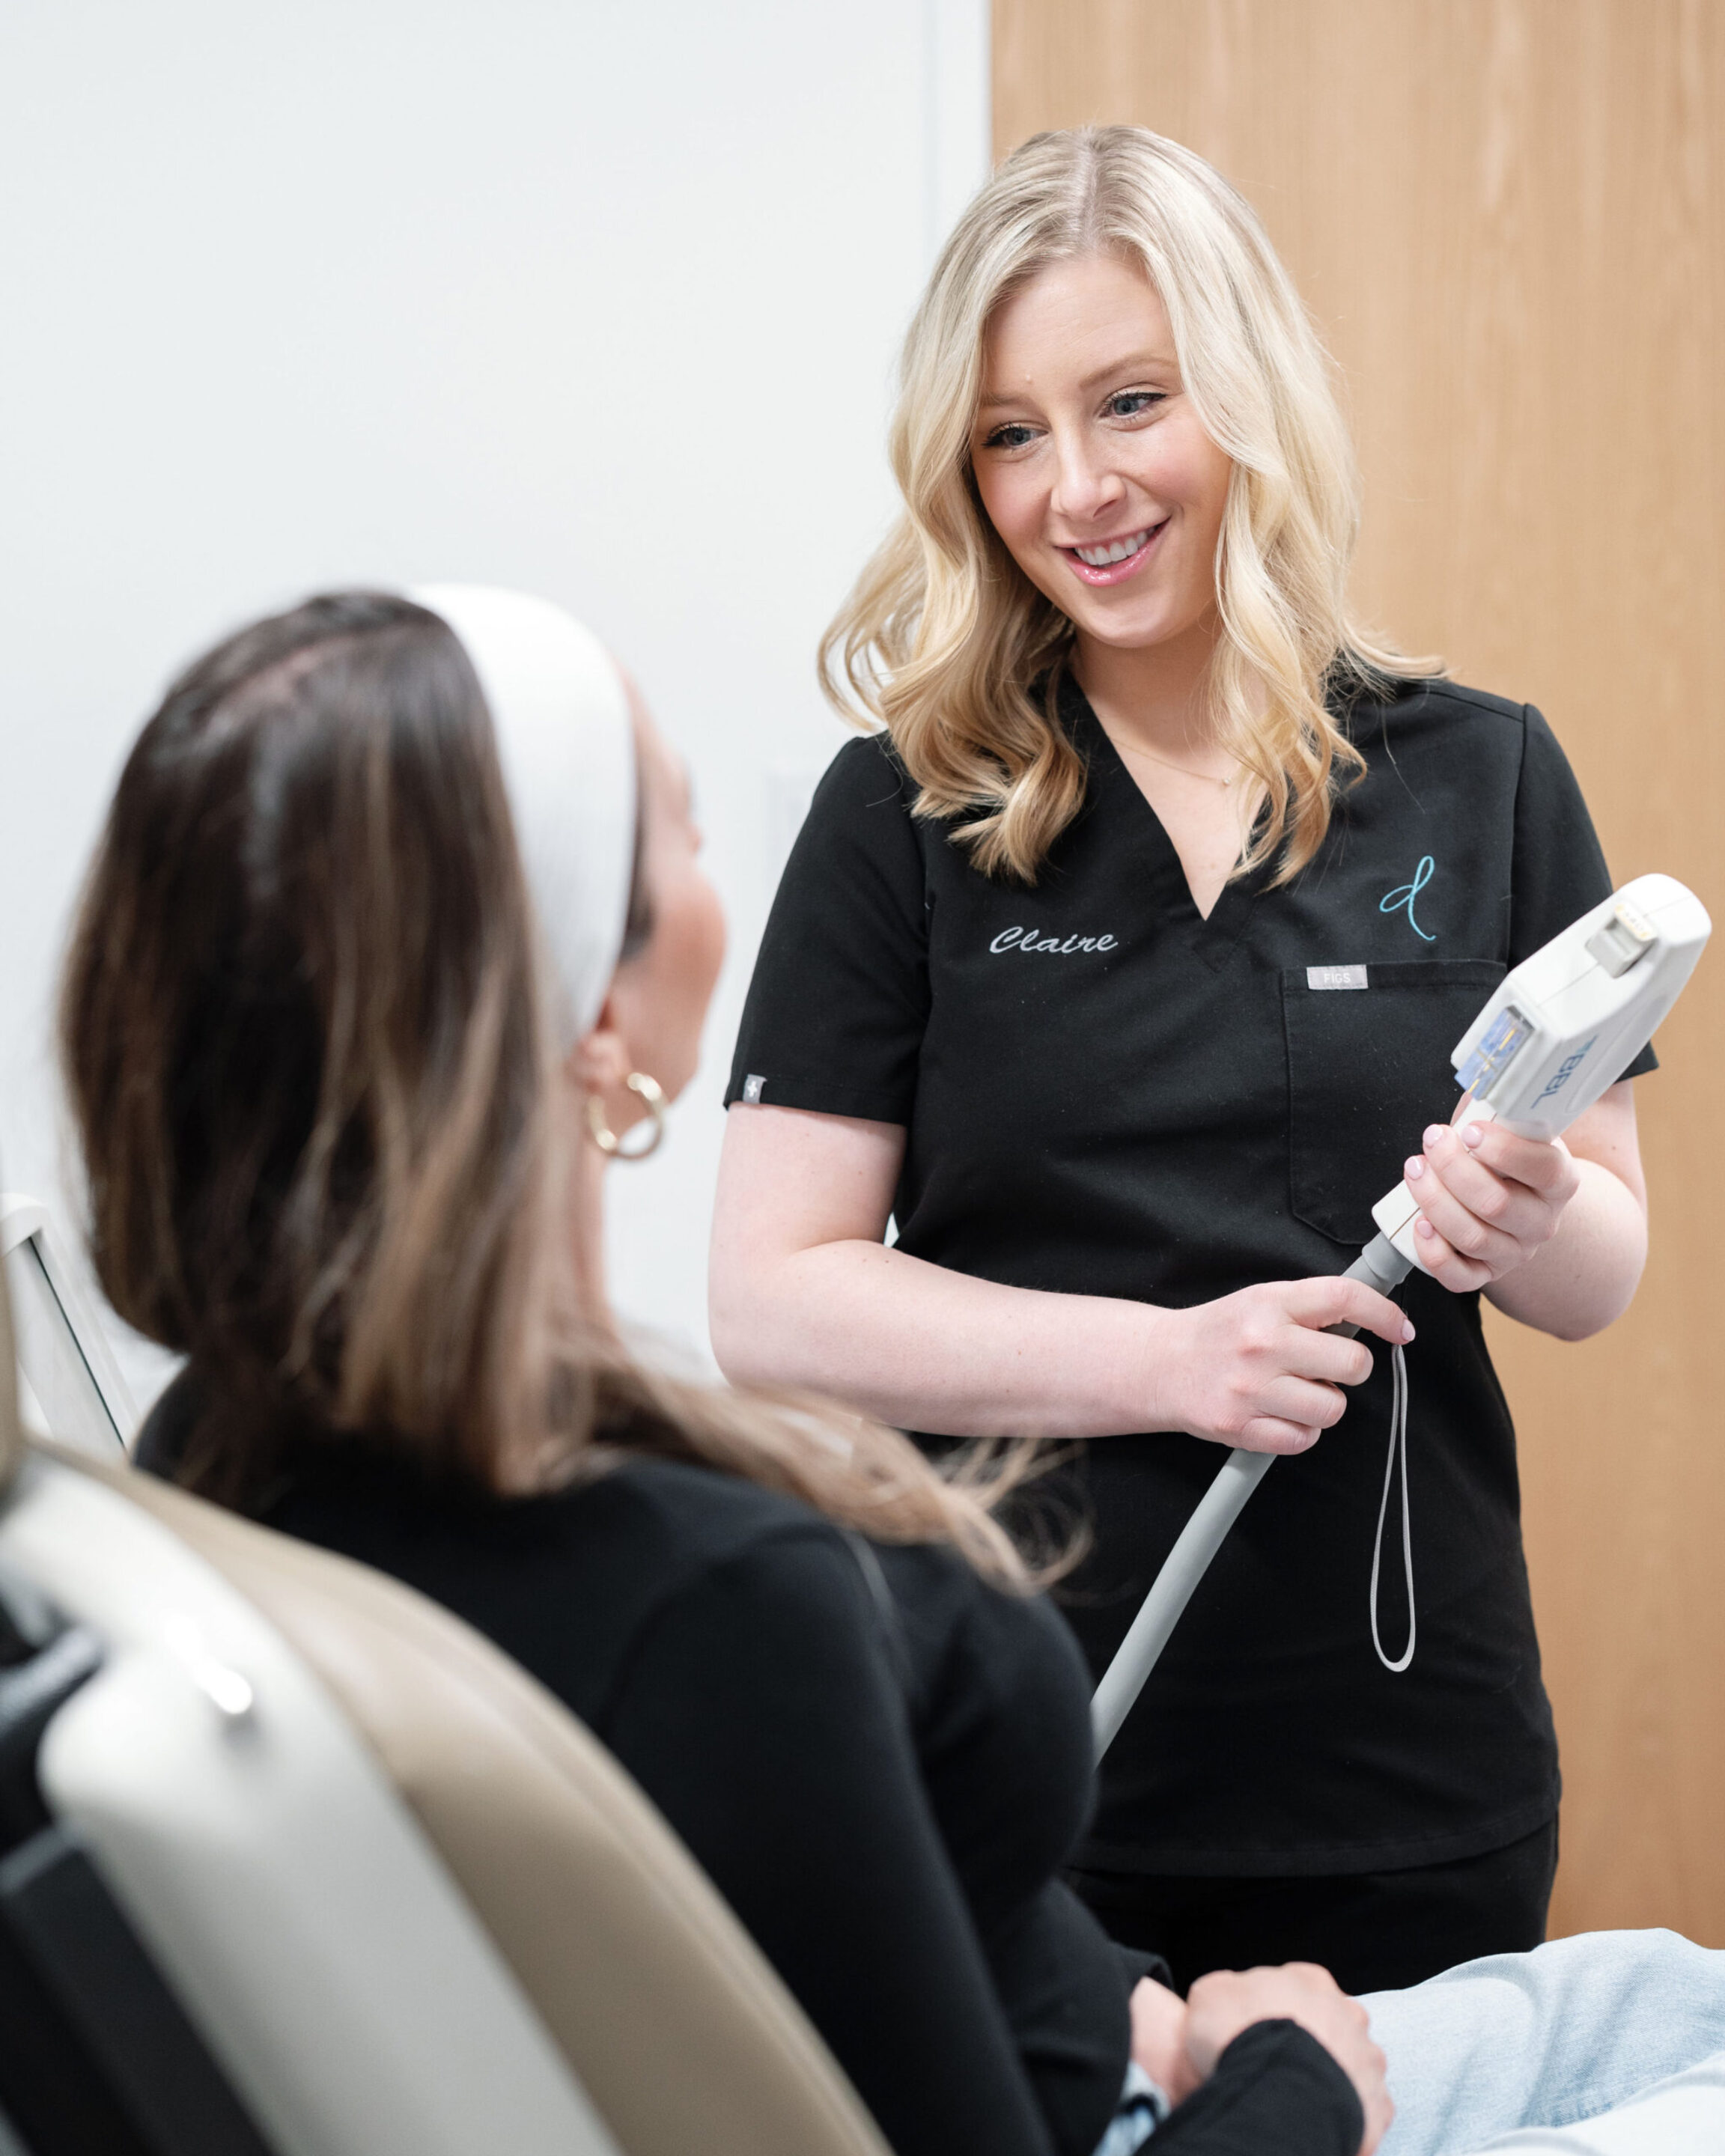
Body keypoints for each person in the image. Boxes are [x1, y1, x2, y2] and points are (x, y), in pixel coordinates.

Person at [56, 585, 1725, 2156]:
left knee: (1662, 1994)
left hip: (1216, 1957)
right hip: (1194, 2098)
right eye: (683, 829)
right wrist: (1295, 2071)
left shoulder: (219, 1459)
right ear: (591, 1012)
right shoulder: (718, 1614)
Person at [709, 125, 1654, 1996]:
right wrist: (1165, 1364)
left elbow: (1602, 1273)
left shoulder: (1481, 771)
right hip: (1034, 1758)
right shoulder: (905, 815)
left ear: (1244, 397)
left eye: (1130, 402)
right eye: (1007, 435)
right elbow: (772, 1300)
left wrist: (1527, 1204)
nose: (1074, 488)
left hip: (1408, 1765)